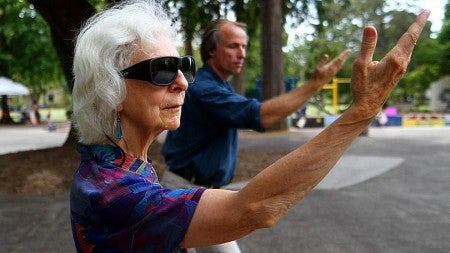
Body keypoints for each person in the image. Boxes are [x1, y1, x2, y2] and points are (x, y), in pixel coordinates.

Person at [69, 0, 430, 252]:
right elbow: (254, 207)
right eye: (161, 70)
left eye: (183, 66)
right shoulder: (115, 193)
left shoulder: (121, 162)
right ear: (110, 89)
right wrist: (361, 110)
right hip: (192, 189)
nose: (182, 82)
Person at [162, 19, 351, 189]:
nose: (242, 54)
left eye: (244, 46)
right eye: (234, 46)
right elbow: (261, 115)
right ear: (212, 50)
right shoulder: (205, 89)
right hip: (186, 188)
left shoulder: (221, 85)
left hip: (199, 187)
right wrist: (314, 84)